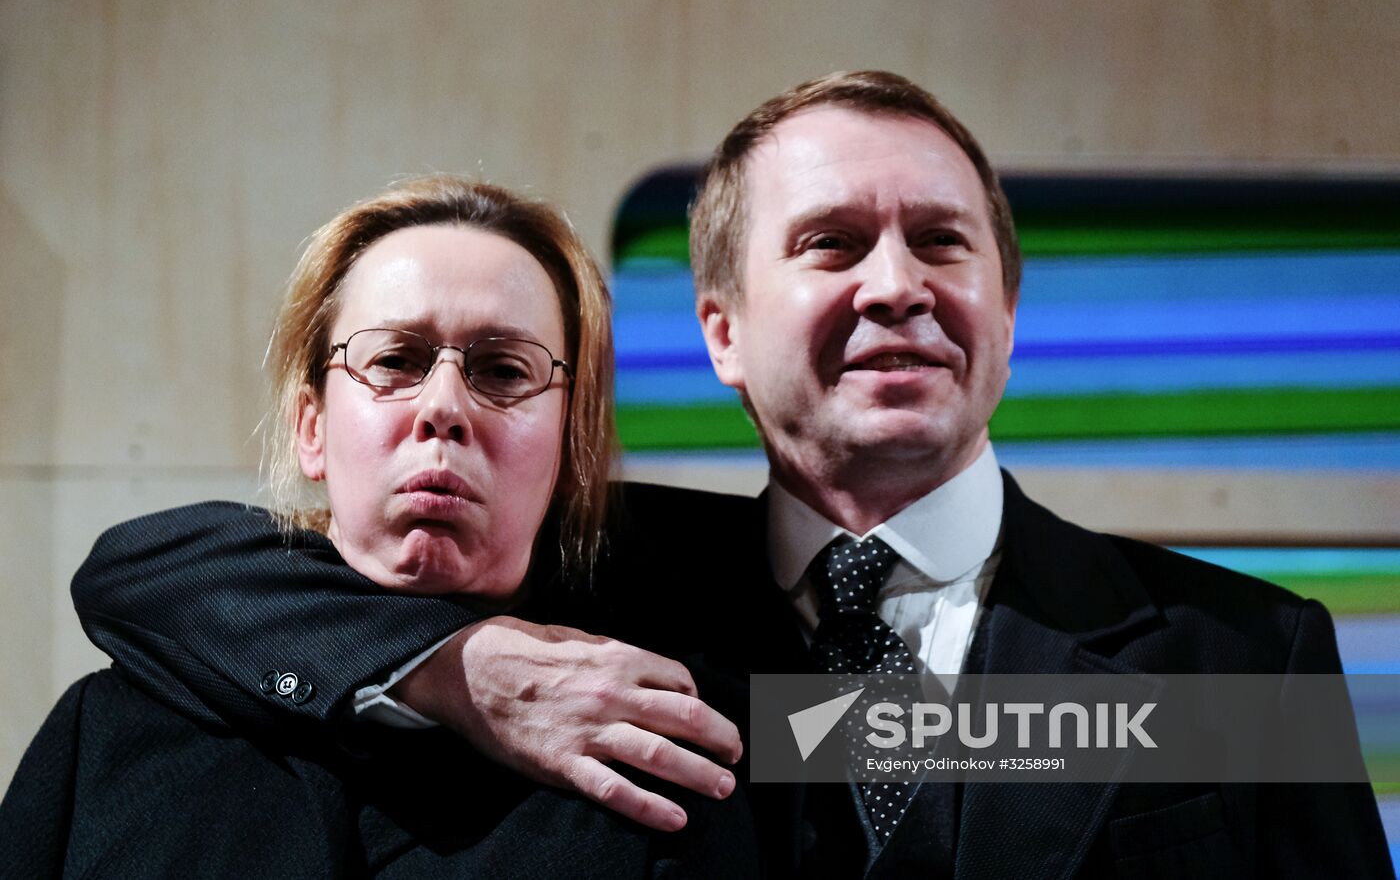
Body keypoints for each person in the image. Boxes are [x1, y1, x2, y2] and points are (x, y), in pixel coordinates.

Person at [56, 73, 1396, 877]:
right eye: (830, 242)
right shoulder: (586, 591)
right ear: (721, 334)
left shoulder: (1236, 664)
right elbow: (156, 571)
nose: (896, 286)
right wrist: (463, 669)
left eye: (943, 241)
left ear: (1006, 305)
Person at [0, 175, 760, 878]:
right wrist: (453, 664)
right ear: (311, 427)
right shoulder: (108, 731)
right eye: (395, 359)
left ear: (571, 441)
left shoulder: (674, 711)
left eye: (503, 370)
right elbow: (122, 566)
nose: (444, 407)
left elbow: (868, 736)